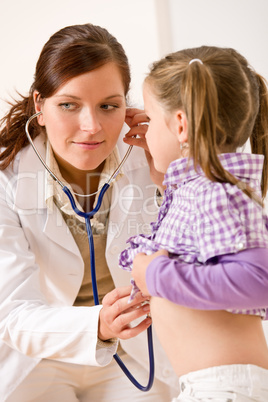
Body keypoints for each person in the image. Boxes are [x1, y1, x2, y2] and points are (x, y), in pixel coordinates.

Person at [0, 23, 180, 401]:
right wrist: (96, 323)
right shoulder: (8, 181)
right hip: (37, 348)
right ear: (40, 107)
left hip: (132, 347)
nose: (92, 126)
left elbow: (199, 259)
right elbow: (11, 312)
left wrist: (169, 173)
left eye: (108, 106)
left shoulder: (147, 160)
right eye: (69, 104)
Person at [119, 46, 268, 400]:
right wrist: (161, 173)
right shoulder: (202, 190)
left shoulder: (217, 193)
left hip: (223, 388)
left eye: (152, 120)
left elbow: (258, 280)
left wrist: (156, 276)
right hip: (215, 385)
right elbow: (195, 241)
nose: (147, 128)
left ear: (181, 125)